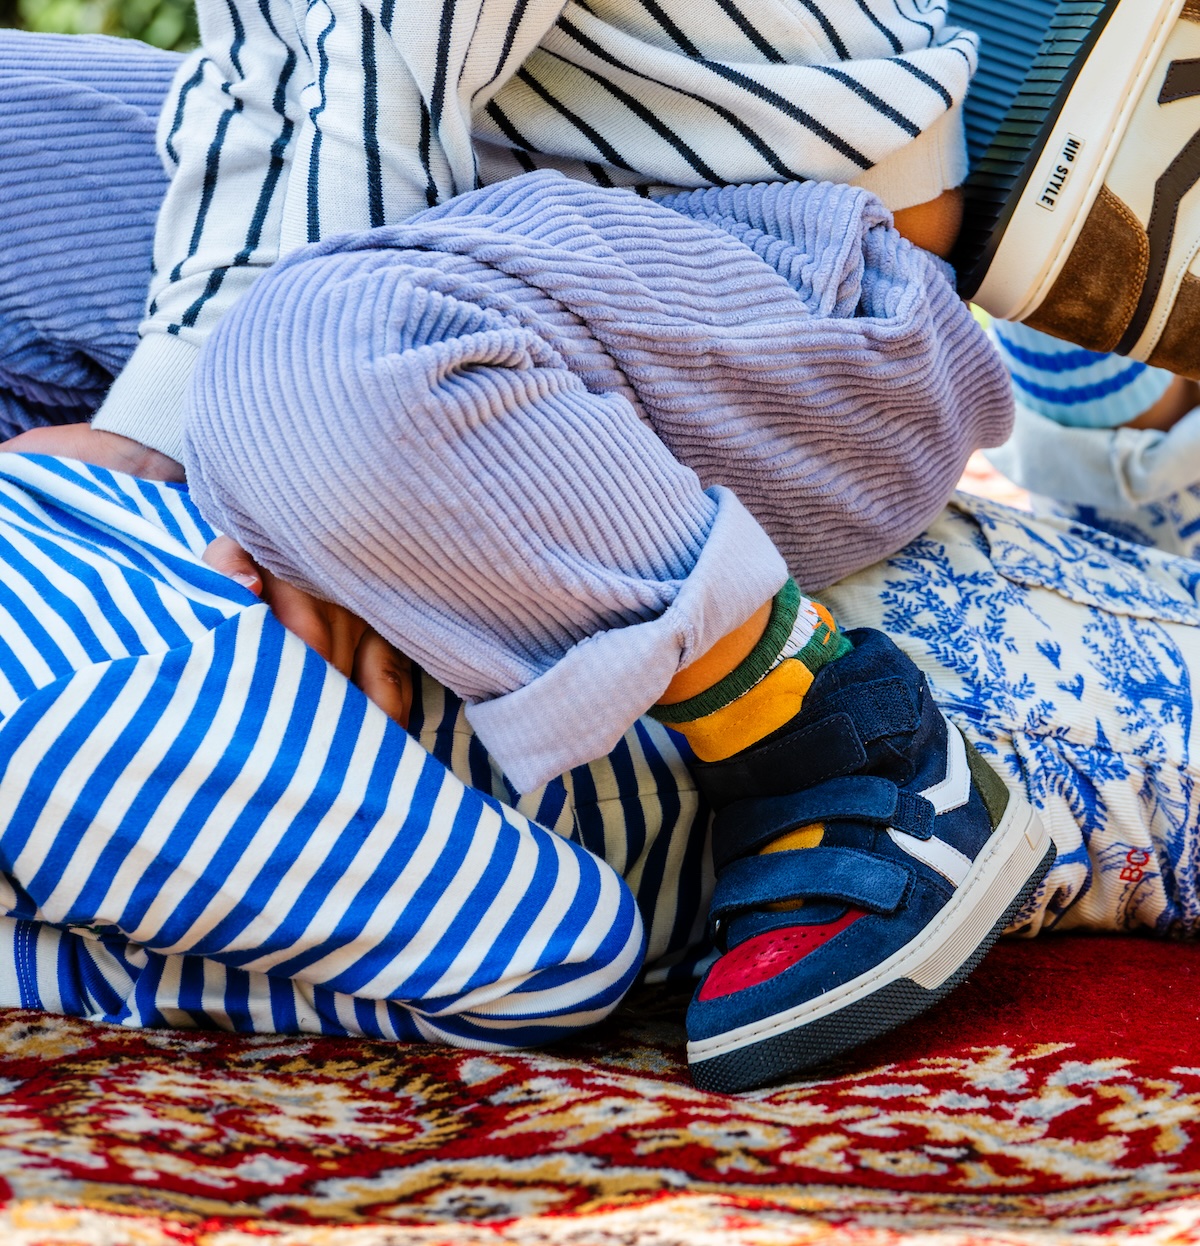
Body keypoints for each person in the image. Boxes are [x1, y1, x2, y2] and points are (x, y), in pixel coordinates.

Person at [2, 0, 1198, 1093]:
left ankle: (830, 739)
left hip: (787, 286)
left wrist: (236, 456)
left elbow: (370, 87)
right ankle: (1124, 413)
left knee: (305, 369)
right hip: (511, 211)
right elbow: (291, 75)